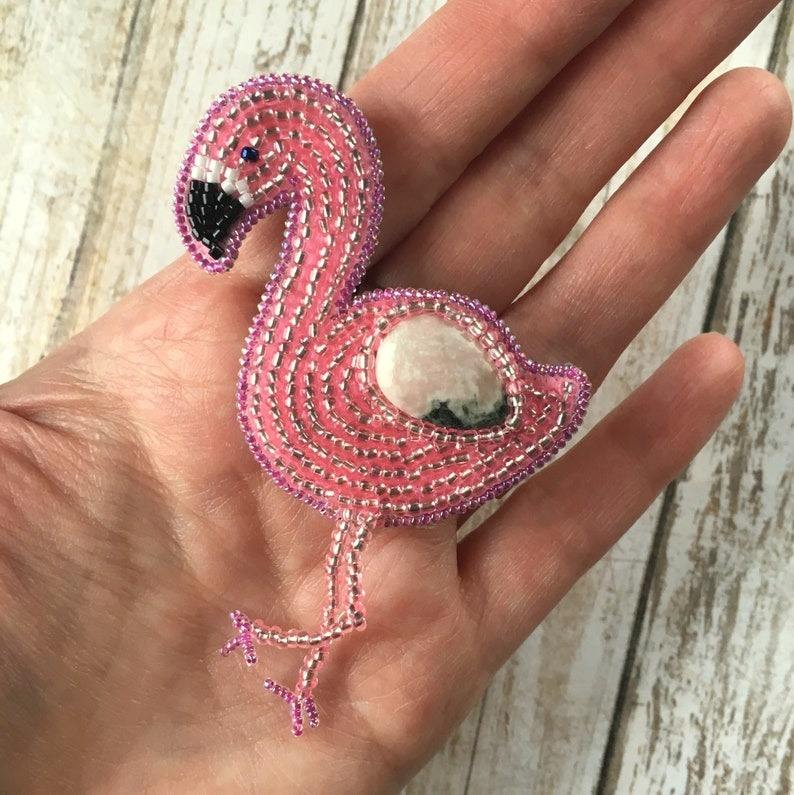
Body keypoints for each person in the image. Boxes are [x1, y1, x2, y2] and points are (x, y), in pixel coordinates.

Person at [0, 0, 790, 791]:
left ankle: (313, 650)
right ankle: (313, 652)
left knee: (369, 496)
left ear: (302, 154)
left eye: (246, 156)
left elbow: (507, 404)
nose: (230, 182)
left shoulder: (391, 353)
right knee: (347, 551)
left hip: (474, 405)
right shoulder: (292, 381)